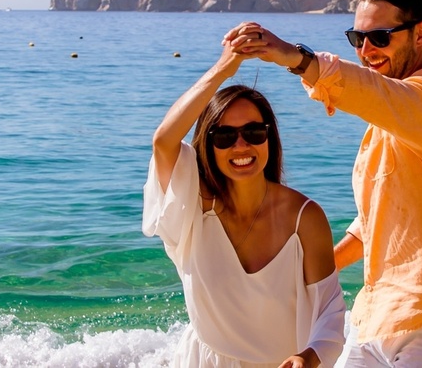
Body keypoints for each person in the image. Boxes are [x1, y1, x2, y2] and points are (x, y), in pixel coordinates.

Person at [228, 0, 422, 367]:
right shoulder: (392, 122)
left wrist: (295, 58)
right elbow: (373, 224)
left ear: (420, 33)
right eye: (357, 39)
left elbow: (374, 93)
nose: (367, 50)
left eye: (380, 37)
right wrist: (305, 273)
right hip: (381, 317)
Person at [146, 31, 345, 368]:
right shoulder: (193, 206)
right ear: (208, 144)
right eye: (224, 136)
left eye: (253, 132)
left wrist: (309, 357)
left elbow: (330, 311)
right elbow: (164, 141)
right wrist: (225, 69)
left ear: (269, 137)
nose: (241, 146)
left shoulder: (304, 218)